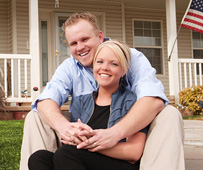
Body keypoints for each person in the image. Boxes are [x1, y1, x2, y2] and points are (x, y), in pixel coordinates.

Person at [20, 12, 185, 170]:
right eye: (73, 43)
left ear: (99, 36)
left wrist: (112, 135)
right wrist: (66, 129)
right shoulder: (72, 72)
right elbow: (46, 100)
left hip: (121, 144)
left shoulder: (129, 59)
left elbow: (152, 99)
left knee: (169, 113)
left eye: (85, 39)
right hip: (82, 148)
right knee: (37, 127)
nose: (80, 47)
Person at [28, 40, 148, 170]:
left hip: (120, 164)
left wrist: (90, 145)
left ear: (124, 70)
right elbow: (73, 143)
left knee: (66, 153)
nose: (104, 68)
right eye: (100, 62)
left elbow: (134, 152)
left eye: (114, 64)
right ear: (94, 66)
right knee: (39, 157)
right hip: (82, 160)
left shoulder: (133, 102)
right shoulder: (82, 101)